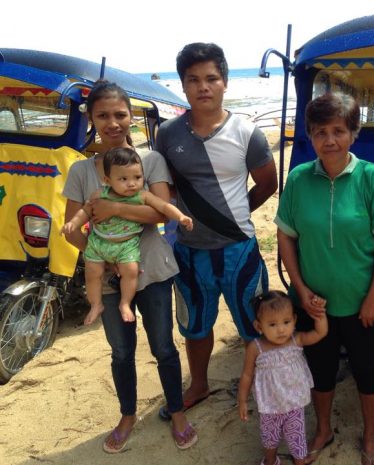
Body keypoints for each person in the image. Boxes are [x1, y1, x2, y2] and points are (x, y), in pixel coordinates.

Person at [62, 81, 197, 452]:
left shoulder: (150, 161)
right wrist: (102, 259)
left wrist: (115, 208)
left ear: (131, 116)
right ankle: (127, 415)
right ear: (91, 118)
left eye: (120, 114)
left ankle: (177, 410)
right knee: (120, 352)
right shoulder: (81, 171)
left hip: (151, 269)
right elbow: (71, 228)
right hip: (106, 276)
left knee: (164, 347)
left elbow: (160, 212)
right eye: (102, 115)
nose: (113, 122)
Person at [276, 92, 374, 465]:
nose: (329, 140)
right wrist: (300, 289)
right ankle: (324, 428)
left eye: (338, 131)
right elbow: (285, 236)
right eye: (320, 132)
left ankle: (371, 436)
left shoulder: (371, 177)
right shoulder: (298, 179)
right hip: (314, 305)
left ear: (353, 133)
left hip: (365, 303)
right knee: (320, 371)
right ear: (310, 136)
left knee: (368, 372)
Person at [155, 43, 278, 412]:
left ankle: (263, 382)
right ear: (183, 85)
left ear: (225, 82)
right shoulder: (167, 134)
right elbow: (168, 189)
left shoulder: (247, 132)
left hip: (239, 250)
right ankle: (200, 385)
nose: (203, 87)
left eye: (211, 78)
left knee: (256, 323)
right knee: (194, 326)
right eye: (193, 80)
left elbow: (268, 183)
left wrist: (236, 219)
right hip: (189, 251)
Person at [62, 147, 193, 325]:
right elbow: (85, 211)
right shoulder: (100, 194)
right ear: (107, 180)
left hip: (126, 246)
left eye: (137, 178)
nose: (131, 183)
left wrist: (181, 217)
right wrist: (72, 224)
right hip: (98, 244)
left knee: (131, 272)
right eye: (123, 179)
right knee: (92, 274)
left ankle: (125, 303)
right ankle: (96, 304)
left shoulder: (142, 196)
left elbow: (163, 207)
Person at [238, 291, 328, 465]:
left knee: (297, 440)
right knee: (269, 440)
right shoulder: (256, 347)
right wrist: (242, 400)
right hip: (269, 408)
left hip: (294, 405)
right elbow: (247, 374)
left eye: (286, 322)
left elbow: (320, 332)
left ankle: (299, 462)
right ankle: (271, 461)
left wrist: (320, 313)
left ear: (294, 320)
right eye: (272, 324)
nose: (280, 329)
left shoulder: (297, 340)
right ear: (259, 326)